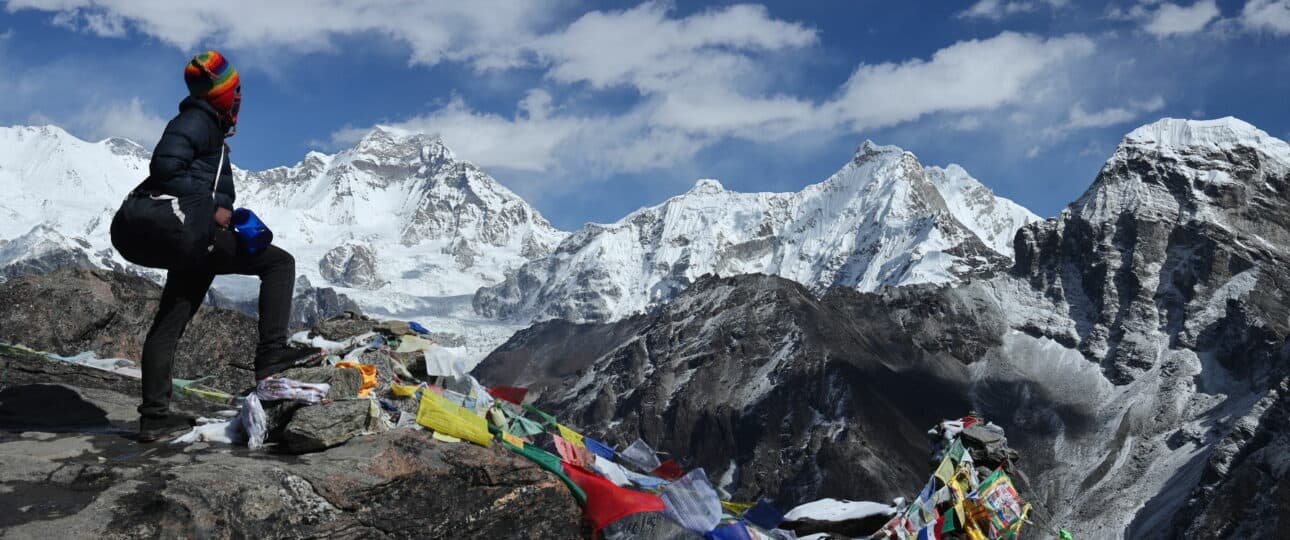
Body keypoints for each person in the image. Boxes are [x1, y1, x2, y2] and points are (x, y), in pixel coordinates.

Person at [136, 51, 318, 442]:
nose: (240, 98)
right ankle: (271, 355)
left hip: (192, 240)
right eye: (236, 90)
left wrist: (223, 210)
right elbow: (164, 169)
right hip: (199, 233)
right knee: (279, 264)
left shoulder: (207, 126)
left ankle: (153, 418)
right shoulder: (196, 121)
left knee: (169, 323)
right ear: (221, 93)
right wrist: (212, 209)